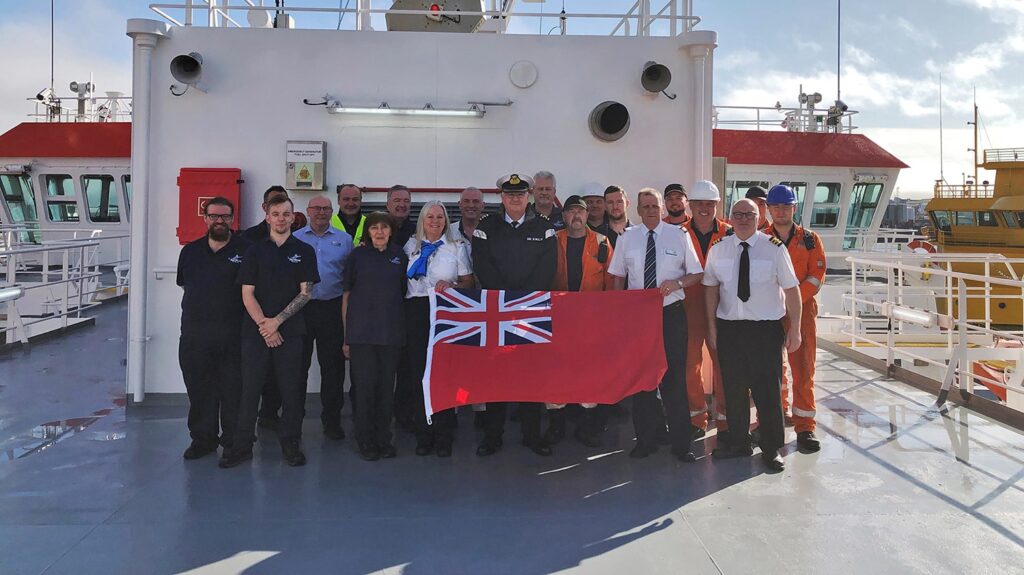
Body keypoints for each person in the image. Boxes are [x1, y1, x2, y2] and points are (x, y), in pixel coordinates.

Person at [704, 198, 802, 473]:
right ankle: (739, 443)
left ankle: (772, 449)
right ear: (730, 218)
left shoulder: (774, 249)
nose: (744, 218)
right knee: (733, 390)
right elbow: (710, 288)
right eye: (738, 214)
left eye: (750, 214)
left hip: (765, 330)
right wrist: (712, 328)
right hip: (730, 329)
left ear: (759, 218)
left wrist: (794, 328)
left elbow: (792, 290)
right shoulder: (719, 249)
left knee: (767, 391)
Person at [221, 196, 319, 469]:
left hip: (291, 331)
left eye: (286, 214)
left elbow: (306, 293)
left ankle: (290, 443)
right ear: (267, 216)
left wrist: (277, 322)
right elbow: (246, 292)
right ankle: (241, 446)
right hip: (257, 332)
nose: (280, 218)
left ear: (292, 217)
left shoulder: (304, 250)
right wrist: (266, 326)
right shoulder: (254, 251)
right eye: (275, 214)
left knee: (291, 390)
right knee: (249, 389)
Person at [608, 188, 703, 462]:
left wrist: (678, 283)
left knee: (674, 379)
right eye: (645, 206)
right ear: (637, 210)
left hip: (671, 314)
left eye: (655, 206)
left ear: (662, 209)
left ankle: (681, 444)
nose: (650, 210)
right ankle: (645, 441)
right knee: (643, 381)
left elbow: (696, 273)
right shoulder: (627, 238)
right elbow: (617, 277)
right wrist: (618, 312)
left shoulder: (680, 235)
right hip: (638, 319)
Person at [472, 173, 557, 457]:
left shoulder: (544, 228)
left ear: (529, 196)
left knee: (531, 376)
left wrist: (521, 300)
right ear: (502, 198)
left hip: (531, 312)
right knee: (496, 376)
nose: (516, 199)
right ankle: (493, 436)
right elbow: (482, 267)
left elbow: (547, 271)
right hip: (497, 312)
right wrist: (506, 300)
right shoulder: (487, 227)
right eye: (510, 195)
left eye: (521, 194)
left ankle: (532, 436)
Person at [176, 197, 251, 460]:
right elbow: (185, 285)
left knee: (234, 393)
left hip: (234, 336)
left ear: (233, 219)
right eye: (214, 216)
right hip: (195, 336)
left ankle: (234, 443)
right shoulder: (190, 252)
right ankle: (203, 440)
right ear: (205, 218)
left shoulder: (248, 249)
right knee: (199, 391)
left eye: (225, 216)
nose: (220, 221)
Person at [402, 201, 474, 457]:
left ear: (446, 220)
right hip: (415, 313)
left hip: (445, 311)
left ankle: (444, 435)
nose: (434, 221)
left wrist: (452, 286)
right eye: (429, 216)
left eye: (440, 217)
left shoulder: (457, 247)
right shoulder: (411, 245)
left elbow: (469, 283)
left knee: (444, 374)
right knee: (419, 374)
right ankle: (424, 433)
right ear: (422, 219)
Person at [547, 195, 615, 447]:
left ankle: (587, 427)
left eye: (580, 212)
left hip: (591, 320)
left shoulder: (602, 242)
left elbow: (612, 280)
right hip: (559, 318)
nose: (576, 216)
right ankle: (556, 427)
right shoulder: (552, 241)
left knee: (590, 372)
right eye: (571, 211)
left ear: (587, 216)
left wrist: (608, 318)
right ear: (563, 216)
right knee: (556, 372)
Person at [342, 212, 409, 461]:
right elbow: (346, 296)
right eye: (374, 228)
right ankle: (365, 440)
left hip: (391, 333)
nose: (379, 232)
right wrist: (346, 336)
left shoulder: (399, 256)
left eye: (384, 228)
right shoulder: (357, 256)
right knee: (364, 389)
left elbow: (403, 292)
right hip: (361, 334)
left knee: (385, 390)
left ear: (391, 231)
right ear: (367, 232)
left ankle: (384, 439)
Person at [767, 184, 825, 453]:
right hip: (768, 313)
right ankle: (775, 419)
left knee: (803, 368)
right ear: (768, 210)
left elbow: (816, 276)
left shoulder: (811, 240)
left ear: (794, 208)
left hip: (801, 313)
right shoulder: (759, 239)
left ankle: (805, 427)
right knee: (770, 370)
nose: (780, 211)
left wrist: (792, 303)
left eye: (785, 206)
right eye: (776, 207)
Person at [295, 195, 354, 441]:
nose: (321, 212)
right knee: (297, 368)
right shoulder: (295, 238)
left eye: (326, 208)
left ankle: (332, 421)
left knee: (333, 369)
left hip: (332, 309)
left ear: (332, 212)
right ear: (308, 211)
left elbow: (350, 278)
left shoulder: (345, 240)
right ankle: (293, 420)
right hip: (301, 309)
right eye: (316, 208)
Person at [681, 181, 733, 440]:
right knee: (690, 365)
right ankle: (696, 419)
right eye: (699, 203)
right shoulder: (677, 234)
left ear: (717, 205)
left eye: (709, 204)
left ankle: (724, 421)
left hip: (723, 309)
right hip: (689, 308)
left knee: (725, 364)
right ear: (690, 205)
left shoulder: (732, 234)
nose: (704, 208)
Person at [450, 186, 488, 427]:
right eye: (467, 201)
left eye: (476, 202)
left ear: (483, 206)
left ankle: (481, 409)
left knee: (482, 359)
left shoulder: (491, 230)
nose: (472, 205)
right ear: (460, 204)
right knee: (455, 356)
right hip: (456, 302)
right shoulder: (447, 230)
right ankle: (452, 406)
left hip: (484, 302)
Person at [241, 185, 306, 242]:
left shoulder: (298, 235)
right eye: (274, 202)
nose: (280, 206)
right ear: (264, 207)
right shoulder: (249, 236)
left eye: (283, 202)